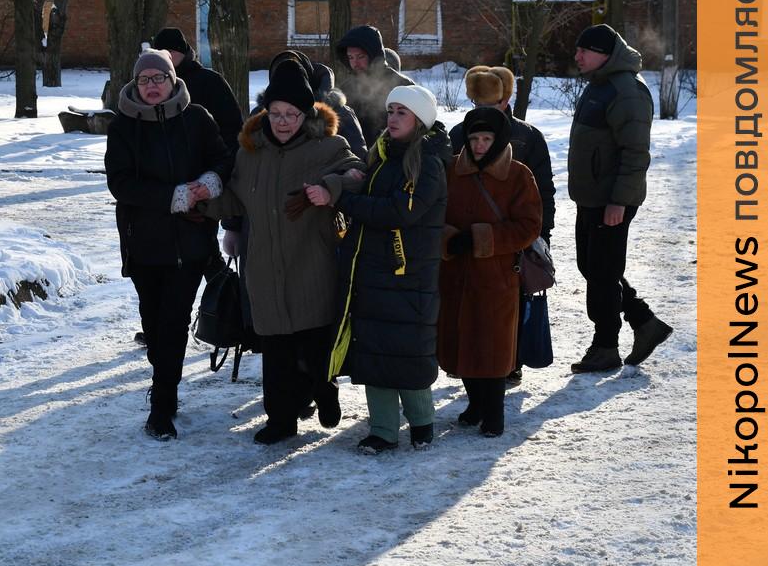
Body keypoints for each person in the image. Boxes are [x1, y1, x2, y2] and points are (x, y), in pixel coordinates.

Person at [202, 60, 365, 444]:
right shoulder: (250, 153)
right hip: (263, 267)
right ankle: (280, 420)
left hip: (311, 263)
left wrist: (329, 188)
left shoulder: (327, 146)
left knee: (313, 344)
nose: (283, 121)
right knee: (275, 350)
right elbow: (235, 201)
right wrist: (203, 200)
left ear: (306, 114)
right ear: (265, 112)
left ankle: (325, 391)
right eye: (275, 113)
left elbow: (358, 175)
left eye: (291, 114)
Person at [105, 48, 232, 441]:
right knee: (153, 323)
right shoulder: (124, 125)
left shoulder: (197, 119)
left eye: (160, 78)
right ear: (136, 84)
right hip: (144, 242)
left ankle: (162, 406)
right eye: (145, 80)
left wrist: (209, 183)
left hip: (191, 242)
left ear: (173, 80)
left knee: (174, 321)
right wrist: (172, 197)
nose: (153, 86)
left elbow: (224, 159)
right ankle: (165, 380)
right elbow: (120, 183)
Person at [332, 85, 447, 453]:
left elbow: (399, 212)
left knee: (409, 353)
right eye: (391, 110)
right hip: (372, 272)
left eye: (402, 112)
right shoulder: (379, 155)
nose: (393, 118)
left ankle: (422, 423)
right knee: (375, 353)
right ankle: (382, 429)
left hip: (408, 276)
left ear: (420, 121)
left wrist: (345, 200)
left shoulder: (427, 162)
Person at [126, 28, 244, 349]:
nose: (162, 62)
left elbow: (233, 132)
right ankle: (158, 327)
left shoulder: (208, 83)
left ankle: (228, 314)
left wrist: (214, 177)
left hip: (202, 192)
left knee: (202, 253)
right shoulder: (152, 88)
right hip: (160, 200)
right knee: (161, 263)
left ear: (180, 54)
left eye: (168, 54)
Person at [567, 24, 673, 373]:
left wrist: (618, 202)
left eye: (585, 50)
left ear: (605, 54)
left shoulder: (626, 91)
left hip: (611, 200)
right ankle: (644, 322)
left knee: (602, 272)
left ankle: (605, 345)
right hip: (592, 196)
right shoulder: (599, 86)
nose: (578, 56)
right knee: (594, 267)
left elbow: (635, 154)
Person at [448, 65, 556, 386]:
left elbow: (544, 190)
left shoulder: (528, 136)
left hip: (514, 236)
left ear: (505, 100)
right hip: (468, 237)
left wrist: (541, 234)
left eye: (489, 104)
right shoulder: (459, 134)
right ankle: (470, 361)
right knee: (470, 301)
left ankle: (511, 360)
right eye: (476, 105)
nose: (482, 111)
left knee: (514, 303)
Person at [437, 107, 541, 437]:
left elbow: (529, 225)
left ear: (499, 140)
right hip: (454, 273)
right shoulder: (451, 169)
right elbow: (432, 212)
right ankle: (475, 403)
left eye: (486, 138)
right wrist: (448, 238)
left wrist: (482, 238)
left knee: (492, 346)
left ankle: (494, 411)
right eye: (474, 139)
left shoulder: (518, 175)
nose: (480, 145)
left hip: (496, 276)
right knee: (462, 340)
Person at [335, 25, 414, 148]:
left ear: (374, 54)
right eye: (351, 57)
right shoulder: (345, 90)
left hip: (394, 157)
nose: (355, 63)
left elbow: (420, 129)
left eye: (360, 56)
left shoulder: (403, 87)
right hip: (355, 159)